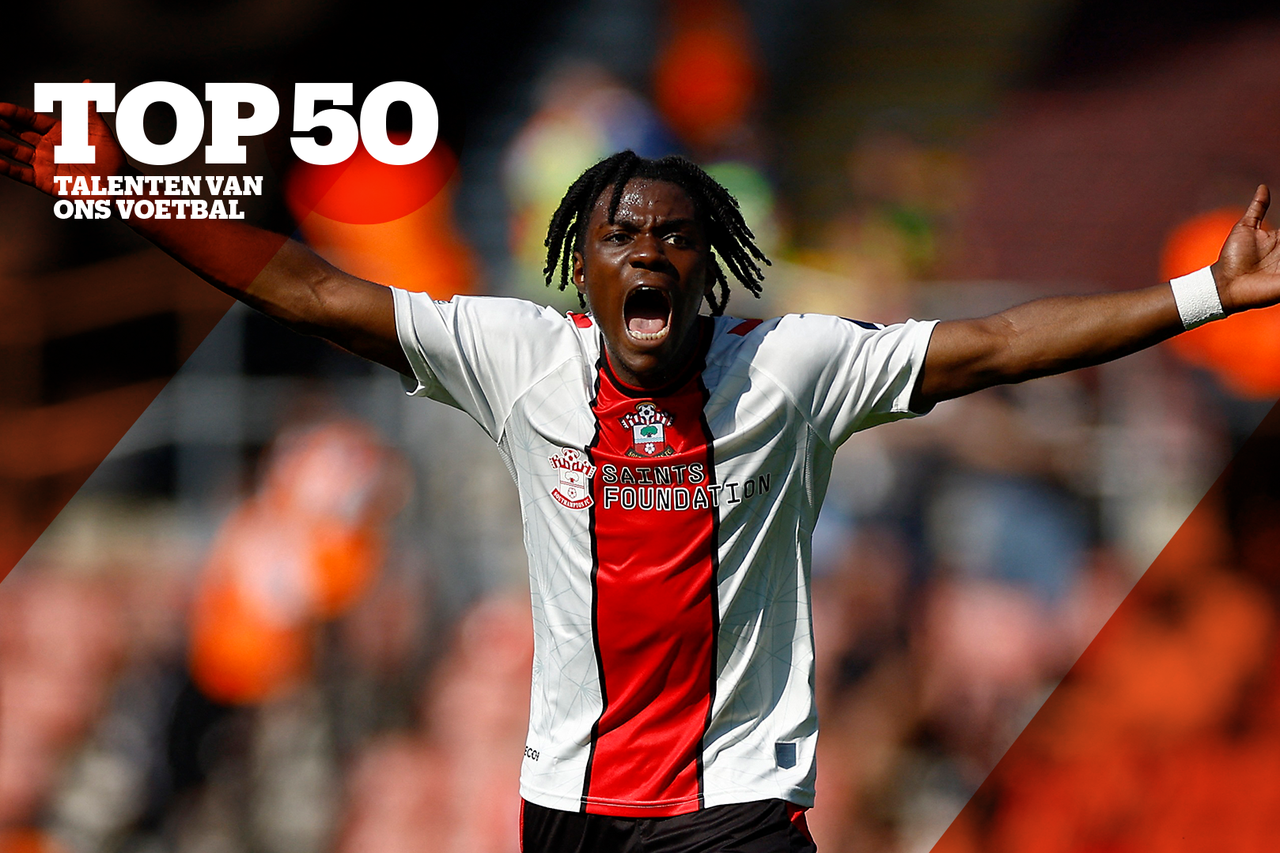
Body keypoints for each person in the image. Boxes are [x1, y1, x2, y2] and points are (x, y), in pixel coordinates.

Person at [3, 101, 1279, 853]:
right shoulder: (515, 358)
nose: (647, 252)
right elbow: (310, 284)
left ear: (709, 272)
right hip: (567, 812)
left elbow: (995, 343)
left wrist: (1201, 294)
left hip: (734, 810)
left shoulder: (789, 369)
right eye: (620, 235)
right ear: (584, 267)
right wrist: (122, 181)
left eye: (674, 234)